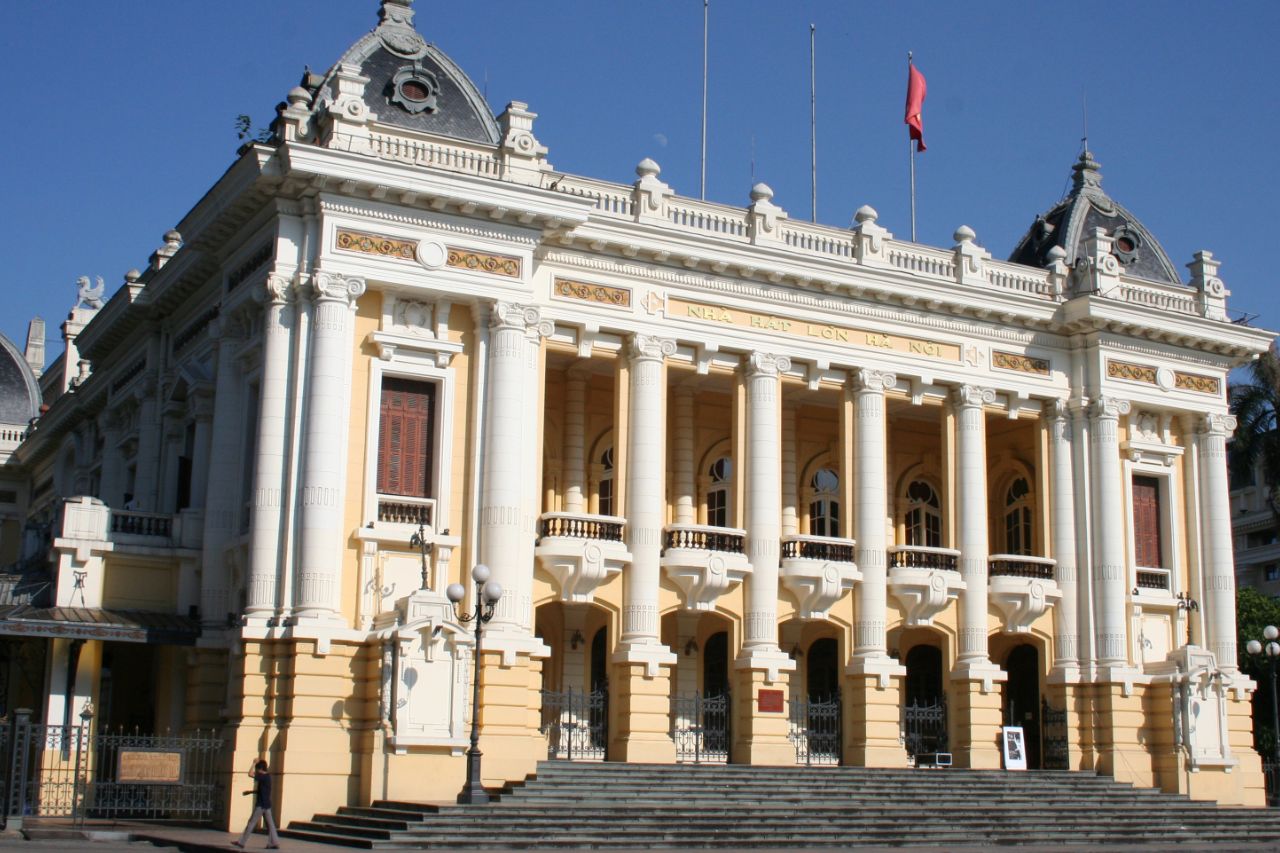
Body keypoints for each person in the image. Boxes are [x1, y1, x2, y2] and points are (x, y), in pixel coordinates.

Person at [232, 759, 280, 849]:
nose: (256, 770)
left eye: (257, 769)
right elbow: (262, 791)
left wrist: (253, 763)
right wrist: (250, 792)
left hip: (261, 805)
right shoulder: (268, 777)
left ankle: (241, 842)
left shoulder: (262, 776)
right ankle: (274, 842)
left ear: (260, 769)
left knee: (251, 823)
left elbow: (250, 774)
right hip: (267, 805)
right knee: (270, 825)